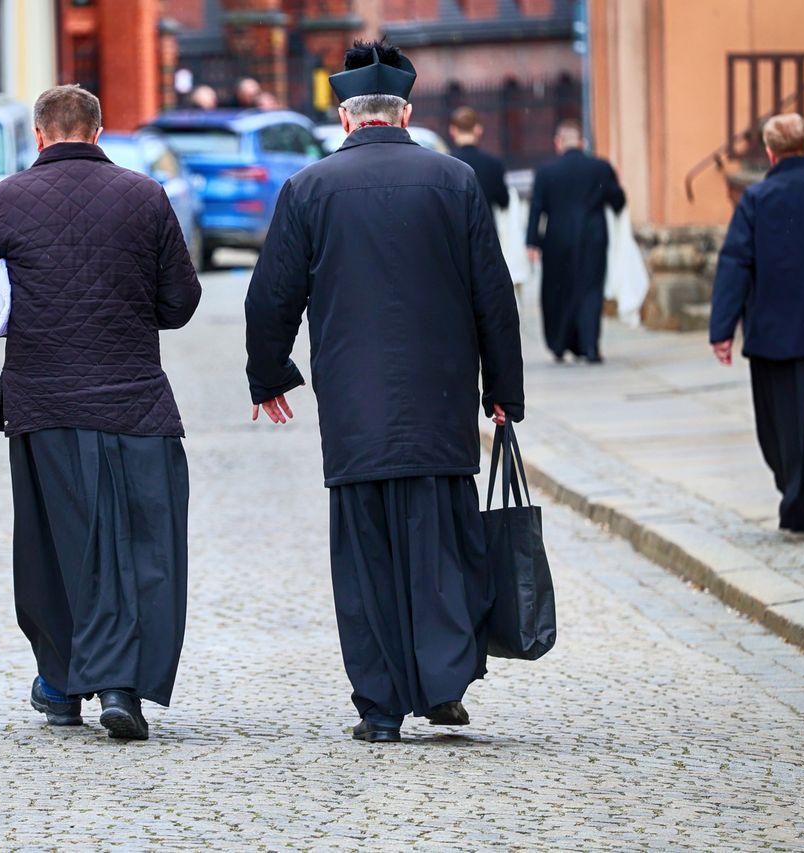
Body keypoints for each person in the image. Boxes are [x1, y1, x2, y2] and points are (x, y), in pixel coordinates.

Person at [245, 41, 524, 743]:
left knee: (365, 557)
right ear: (405, 110)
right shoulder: (455, 180)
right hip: (439, 402)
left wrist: (269, 373)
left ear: (345, 116)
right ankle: (442, 685)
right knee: (440, 550)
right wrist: (504, 390)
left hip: (354, 411)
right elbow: (494, 296)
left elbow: (271, 296)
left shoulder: (308, 189)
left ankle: (379, 704)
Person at [0, 85, 201, 741]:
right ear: (99, 131)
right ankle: (122, 684)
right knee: (141, 549)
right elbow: (180, 303)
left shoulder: (8, 199)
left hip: (46, 401)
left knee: (54, 550)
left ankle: (62, 683)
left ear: (39, 135)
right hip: (135, 400)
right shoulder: (145, 196)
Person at [711, 113, 804, 543]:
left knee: (783, 427)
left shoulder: (757, 199)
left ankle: (799, 504)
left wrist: (722, 328)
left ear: (771, 152)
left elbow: (735, 262)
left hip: (777, 337)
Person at [526, 119, 626, 363]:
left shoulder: (546, 171)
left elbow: (536, 208)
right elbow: (618, 202)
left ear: (558, 143)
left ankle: (559, 344)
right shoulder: (601, 167)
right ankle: (590, 346)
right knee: (590, 290)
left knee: (558, 291)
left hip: (557, 238)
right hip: (593, 237)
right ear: (583, 142)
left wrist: (532, 242)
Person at [449, 106, 509, 212]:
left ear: (453, 130)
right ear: (478, 129)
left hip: (458, 227)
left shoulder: (447, 165)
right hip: (486, 225)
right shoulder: (493, 164)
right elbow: (504, 201)